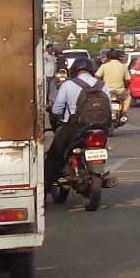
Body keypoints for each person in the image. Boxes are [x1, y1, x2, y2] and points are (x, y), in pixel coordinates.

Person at [46, 61, 112, 189]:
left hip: (74, 128)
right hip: (100, 129)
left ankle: (47, 186)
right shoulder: (102, 85)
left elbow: (57, 109)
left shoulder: (68, 85)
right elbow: (109, 108)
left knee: (54, 154)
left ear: (74, 70)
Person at [97, 48, 130, 124]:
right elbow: (128, 80)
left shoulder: (104, 65)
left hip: (106, 91)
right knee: (128, 97)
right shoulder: (123, 66)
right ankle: (124, 113)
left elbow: (97, 76)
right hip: (120, 91)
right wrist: (126, 87)